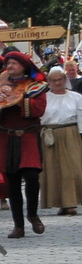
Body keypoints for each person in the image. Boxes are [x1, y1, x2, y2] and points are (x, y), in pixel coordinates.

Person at [0, 51, 48, 239]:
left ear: (23, 66)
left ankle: (33, 214)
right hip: (6, 138)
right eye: (8, 63)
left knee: (32, 177)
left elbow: (39, 109)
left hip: (27, 138)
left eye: (14, 63)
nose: (9, 66)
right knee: (12, 182)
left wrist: (17, 99)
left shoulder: (37, 87)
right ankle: (18, 225)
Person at [40, 67, 82, 215]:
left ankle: (71, 202)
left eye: (60, 80)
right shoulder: (44, 98)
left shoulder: (76, 97)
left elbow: (80, 117)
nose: (57, 83)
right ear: (49, 81)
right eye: (54, 80)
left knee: (72, 169)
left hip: (71, 133)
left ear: (65, 80)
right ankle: (61, 203)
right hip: (50, 135)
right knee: (54, 170)